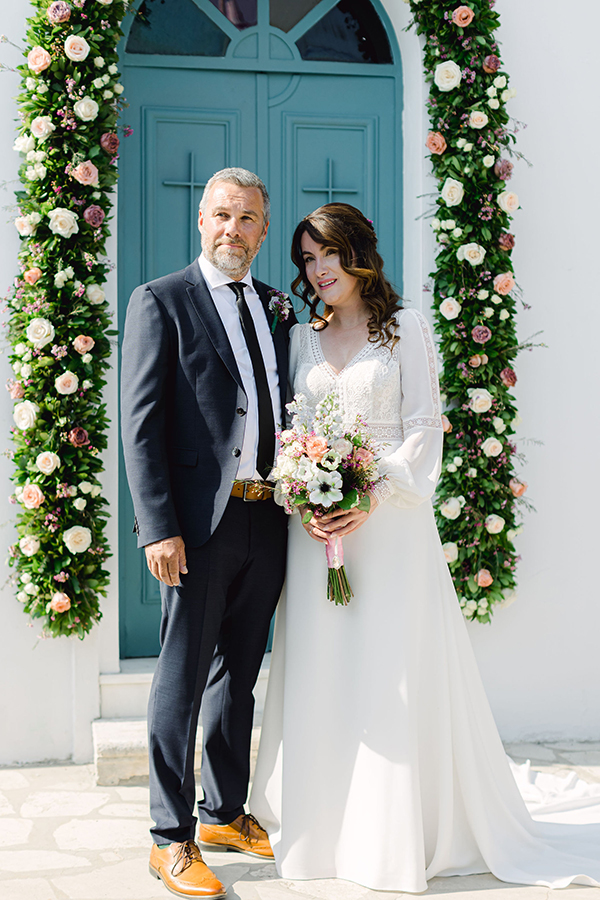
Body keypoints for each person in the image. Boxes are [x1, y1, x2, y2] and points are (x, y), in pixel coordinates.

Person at [249, 203, 600, 893]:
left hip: (390, 524)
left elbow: (421, 426)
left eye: (328, 254)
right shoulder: (302, 339)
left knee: (389, 667)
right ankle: (323, 830)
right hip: (315, 531)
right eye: (307, 260)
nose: (317, 271)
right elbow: (289, 433)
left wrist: (370, 494)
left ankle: (395, 832)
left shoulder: (402, 327)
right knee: (324, 667)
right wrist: (306, 495)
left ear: (358, 254)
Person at [121, 167, 296, 899]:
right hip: (196, 527)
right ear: (201, 221)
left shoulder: (277, 306)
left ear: (262, 228)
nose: (234, 229)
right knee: (182, 678)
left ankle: (224, 811)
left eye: (248, 219)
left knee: (239, 674)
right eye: (222, 215)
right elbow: (140, 424)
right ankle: (170, 838)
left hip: (268, 514)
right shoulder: (161, 300)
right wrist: (159, 526)